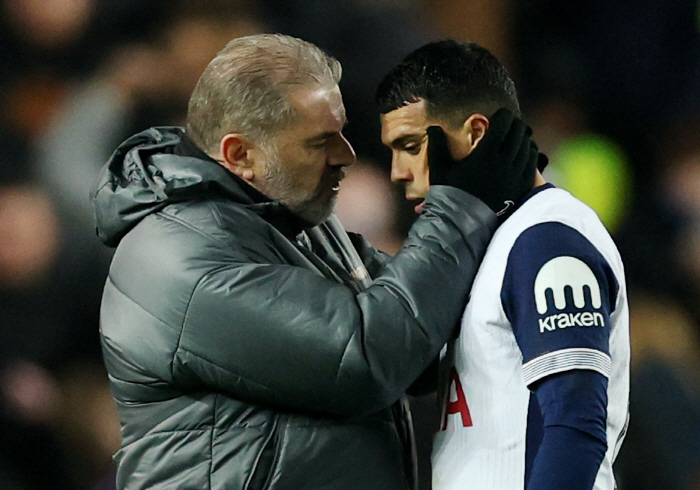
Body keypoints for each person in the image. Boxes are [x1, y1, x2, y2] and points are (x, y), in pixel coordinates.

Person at [91, 34, 539, 490]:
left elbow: (426, 340)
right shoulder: (180, 259)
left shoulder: (293, 221)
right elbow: (369, 357)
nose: (345, 155)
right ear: (239, 154)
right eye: (320, 141)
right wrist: (460, 205)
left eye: (342, 131)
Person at [375, 39, 630, 490]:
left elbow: (575, 427)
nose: (398, 171)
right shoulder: (493, 242)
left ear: (475, 133)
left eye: (411, 145)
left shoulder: (546, 237)